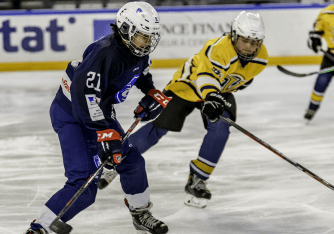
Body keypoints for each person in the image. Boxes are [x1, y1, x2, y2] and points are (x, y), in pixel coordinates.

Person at [24, 2, 171, 234]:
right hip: (72, 113)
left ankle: (140, 214)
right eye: (144, 36)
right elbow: (85, 96)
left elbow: (140, 73)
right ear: (126, 31)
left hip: (97, 111)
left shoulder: (137, 51)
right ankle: (40, 227)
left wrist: (151, 92)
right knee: (85, 184)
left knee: (131, 161)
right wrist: (105, 133)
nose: (148, 42)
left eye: (151, 36)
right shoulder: (106, 54)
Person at [99, 11, 268, 209]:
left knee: (221, 127)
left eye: (254, 42)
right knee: (157, 128)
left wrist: (218, 98)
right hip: (186, 86)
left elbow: (240, 79)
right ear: (234, 35)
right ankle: (116, 161)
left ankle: (198, 178)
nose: (249, 47)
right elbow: (206, 76)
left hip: (218, 92)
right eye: (245, 40)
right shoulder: (219, 48)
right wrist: (212, 96)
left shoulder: (262, 58)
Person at [304, 5, 334, 122]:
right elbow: (316, 30)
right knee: (320, 83)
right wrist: (315, 40)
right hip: (330, 56)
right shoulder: (327, 12)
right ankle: (312, 108)